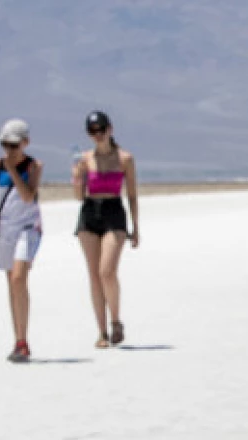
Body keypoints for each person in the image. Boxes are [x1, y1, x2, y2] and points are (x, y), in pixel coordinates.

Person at [0, 119, 43, 363]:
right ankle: (19, 340)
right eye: (5, 145)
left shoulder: (34, 166)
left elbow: (27, 196)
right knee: (11, 284)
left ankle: (23, 341)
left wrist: (14, 170)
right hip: (6, 231)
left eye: (13, 145)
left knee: (18, 277)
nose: (9, 150)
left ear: (25, 143)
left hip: (28, 228)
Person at [72, 111, 139, 348]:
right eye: (93, 132)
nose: (98, 135)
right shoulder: (85, 159)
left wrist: (136, 226)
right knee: (93, 274)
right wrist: (78, 178)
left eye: (101, 130)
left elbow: (131, 194)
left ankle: (116, 321)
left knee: (106, 271)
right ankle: (101, 332)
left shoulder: (125, 158)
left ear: (110, 129)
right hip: (90, 213)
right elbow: (79, 197)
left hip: (114, 212)